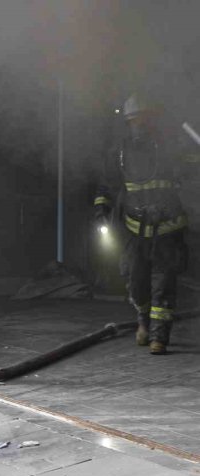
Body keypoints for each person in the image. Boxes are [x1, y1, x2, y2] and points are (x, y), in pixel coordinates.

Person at [94, 94, 189, 355]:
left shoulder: (169, 147)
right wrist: (101, 209)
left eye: (143, 119)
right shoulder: (119, 153)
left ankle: (160, 337)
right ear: (127, 123)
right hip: (134, 229)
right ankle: (143, 322)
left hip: (167, 228)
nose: (139, 125)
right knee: (136, 284)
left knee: (163, 284)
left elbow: (190, 175)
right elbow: (107, 185)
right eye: (134, 120)